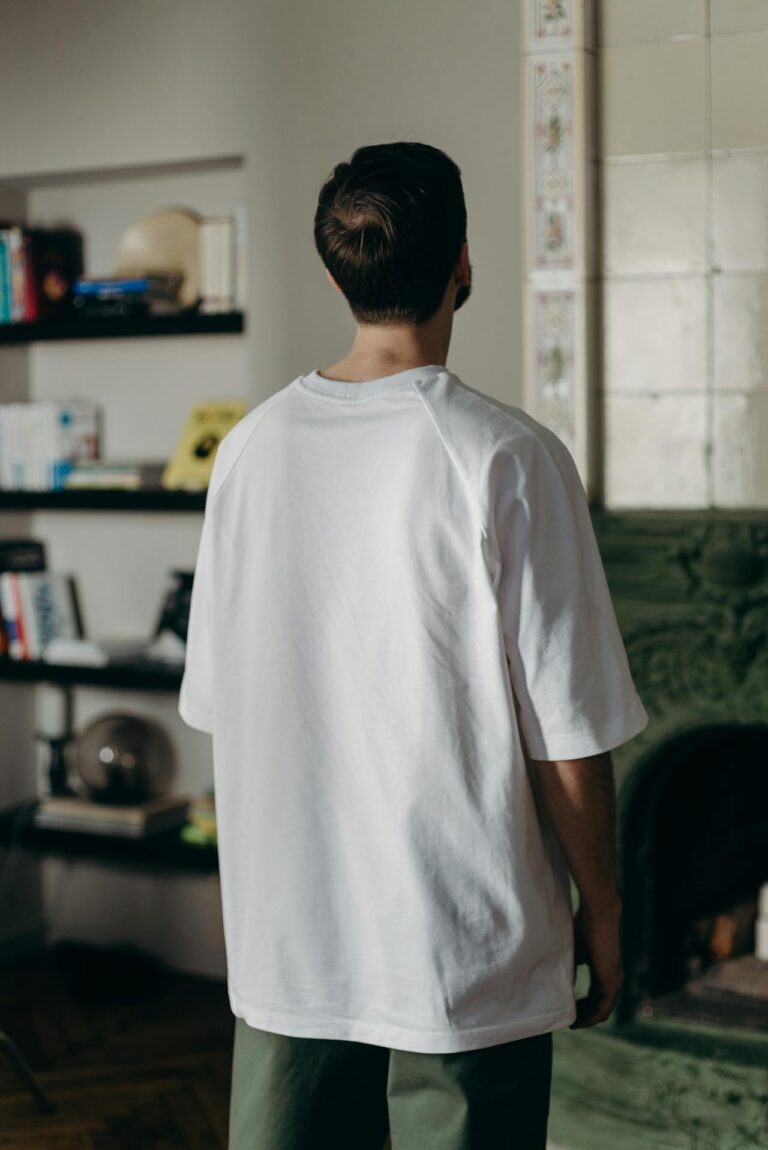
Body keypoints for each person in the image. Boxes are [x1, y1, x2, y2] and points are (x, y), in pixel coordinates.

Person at [178, 141, 650, 1150]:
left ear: (337, 273)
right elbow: (566, 732)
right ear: (462, 262)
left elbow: (222, 703)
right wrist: (603, 907)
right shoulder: (508, 456)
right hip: (464, 952)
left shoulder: (247, 451)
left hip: (293, 946)